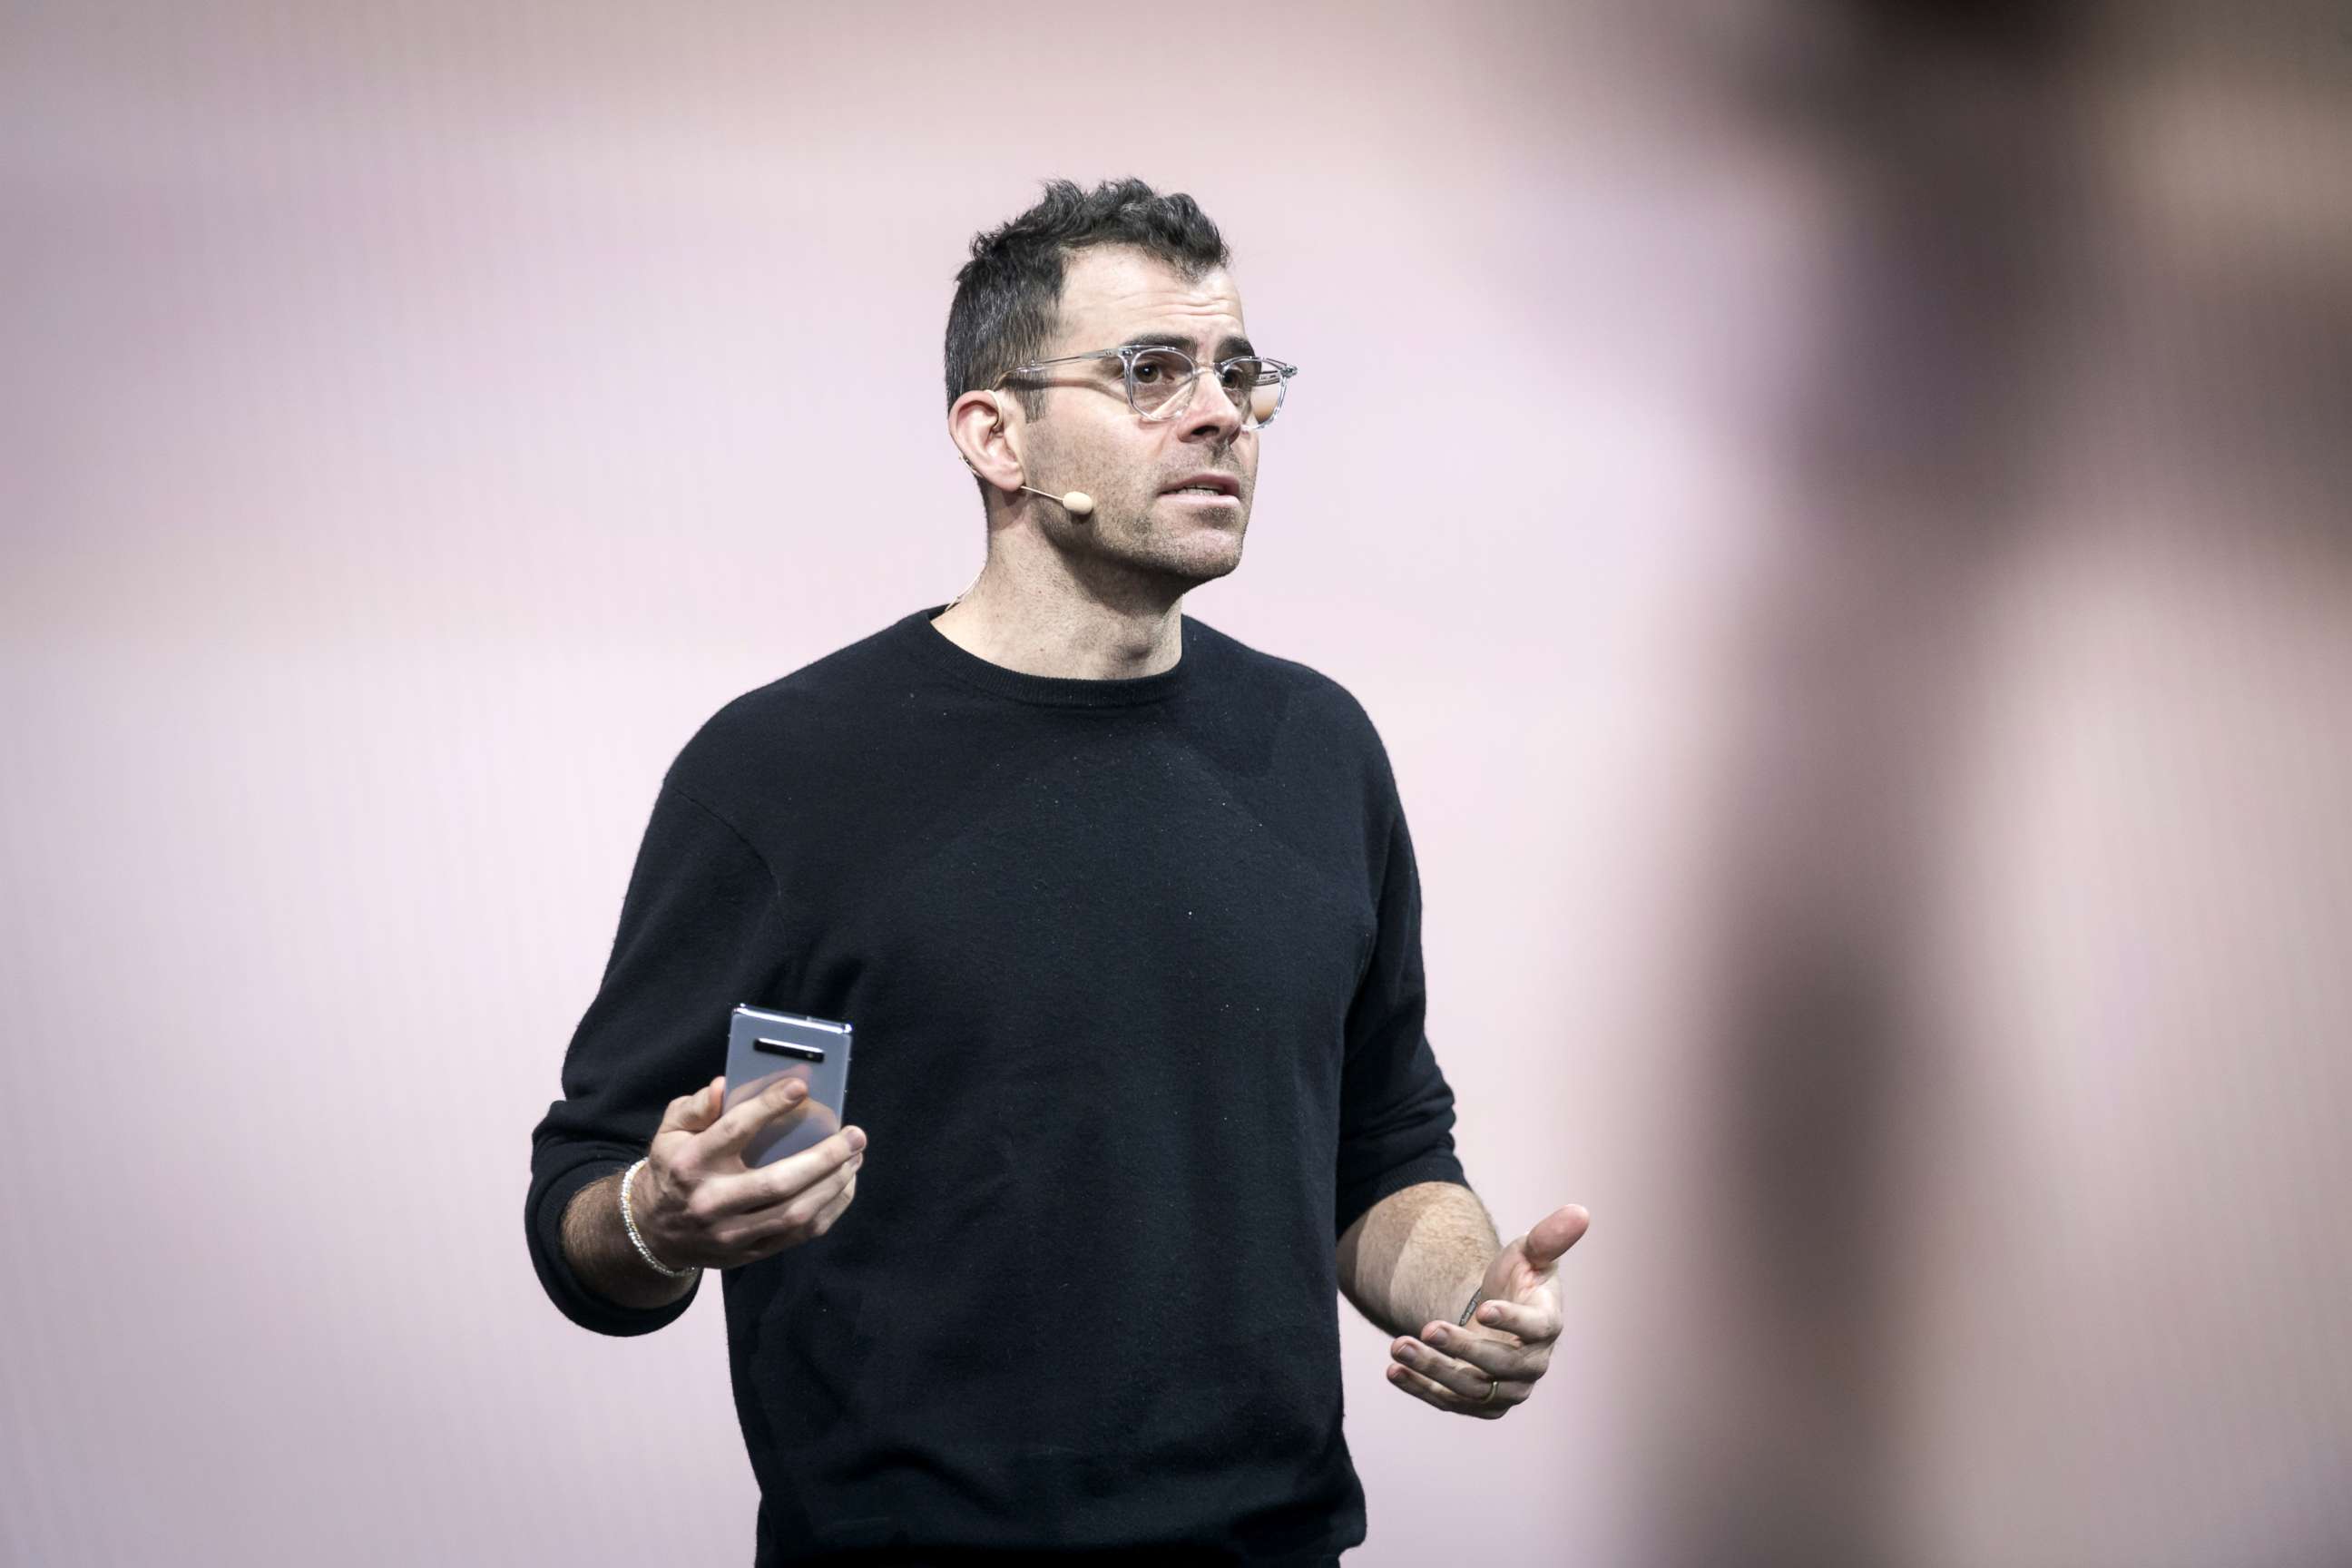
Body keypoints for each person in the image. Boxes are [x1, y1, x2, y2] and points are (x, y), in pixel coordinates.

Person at [524, 176, 1589, 1567]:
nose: (1219, 412)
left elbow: (1383, 1150)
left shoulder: (1318, 747)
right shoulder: (780, 772)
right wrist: (659, 1221)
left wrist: (1470, 1296)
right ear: (996, 435)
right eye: (1150, 371)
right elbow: (583, 1214)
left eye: (1239, 372)